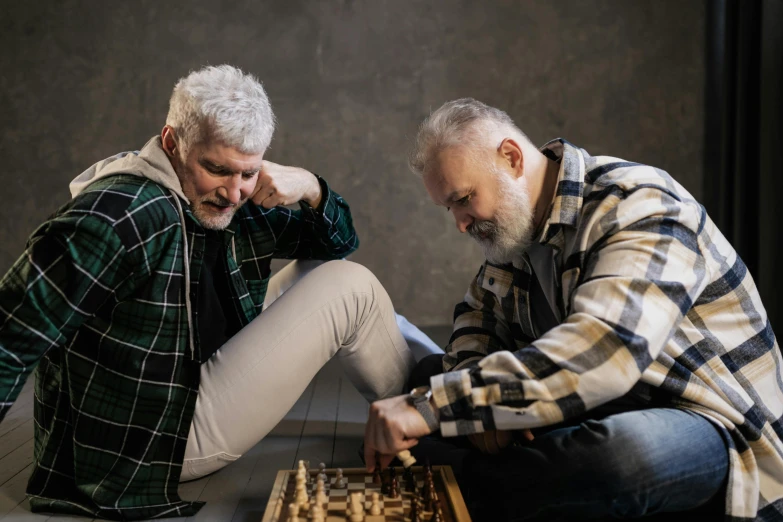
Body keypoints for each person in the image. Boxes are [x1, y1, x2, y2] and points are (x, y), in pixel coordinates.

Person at [0, 64, 439, 520]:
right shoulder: (119, 216)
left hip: (193, 377)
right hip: (153, 444)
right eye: (217, 169)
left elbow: (337, 244)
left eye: (248, 172)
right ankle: (434, 422)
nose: (233, 193)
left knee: (332, 271)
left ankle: (431, 405)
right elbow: (9, 335)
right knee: (352, 288)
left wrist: (309, 187)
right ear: (172, 143)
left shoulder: (233, 197)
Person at [363, 98, 783, 521]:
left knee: (619, 458)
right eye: (449, 208)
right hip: (599, 402)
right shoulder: (515, 228)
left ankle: (456, 478)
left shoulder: (638, 203)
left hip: (707, 420)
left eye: (464, 199)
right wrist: (475, 410)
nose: (460, 223)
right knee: (429, 374)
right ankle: (493, 481)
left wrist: (439, 407)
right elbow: (478, 319)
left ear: (510, 158)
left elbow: (605, 352)